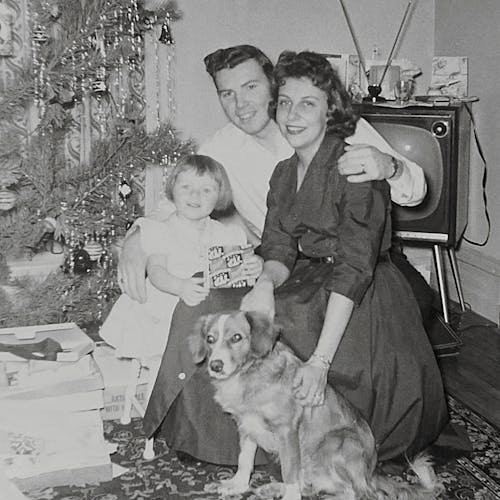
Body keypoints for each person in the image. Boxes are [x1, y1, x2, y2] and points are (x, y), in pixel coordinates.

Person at [142, 51, 464, 469]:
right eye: (286, 103)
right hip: (304, 273)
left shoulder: (354, 160)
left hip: (360, 287)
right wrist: (262, 286)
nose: (291, 114)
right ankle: (218, 436)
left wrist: (320, 362)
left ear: (330, 110)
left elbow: (355, 265)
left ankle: (297, 434)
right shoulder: (280, 170)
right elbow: (276, 248)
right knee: (223, 312)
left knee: (277, 329)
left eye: (307, 104)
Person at [118, 45, 434, 326]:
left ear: (272, 85)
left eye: (250, 86)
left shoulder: (337, 125)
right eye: (227, 93)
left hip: (362, 264)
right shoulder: (221, 147)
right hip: (281, 267)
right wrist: (137, 239)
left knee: (411, 311)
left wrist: (389, 167)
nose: (240, 104)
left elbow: (416, 189)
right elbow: (173, 203)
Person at [100, 154, 262, 360]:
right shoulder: (162, 230)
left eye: (206, 190)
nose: (195, 196)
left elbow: (238, 268)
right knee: (162, 361)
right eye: (186, 187)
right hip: (166, 307)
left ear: (220, 195)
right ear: (172, 189)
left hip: (208, 312)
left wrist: (255, 265)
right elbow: (156, 271)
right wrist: (180, 286)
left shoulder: (226, 233)